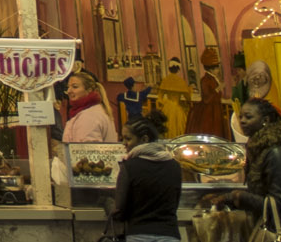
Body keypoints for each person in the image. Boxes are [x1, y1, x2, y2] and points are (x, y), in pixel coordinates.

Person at [201, 99, 281, 242]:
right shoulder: (260, 149)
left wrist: (239, 197)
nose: (242, 121)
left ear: (265, 120)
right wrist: (229, 199)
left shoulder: (275, 152)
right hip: (270, 225)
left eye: (248, 117)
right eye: (240, 117)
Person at [111, 112, 181, 242]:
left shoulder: (129, 167)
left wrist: (107, 205)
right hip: (170, 235)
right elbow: (175, 202)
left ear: (144, 139)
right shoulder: (175, 165)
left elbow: (120, 208)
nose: (124, 143)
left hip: (138, 234)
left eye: (128, 139)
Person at [63, 70, 118, 143]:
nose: (69, 91)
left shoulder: (90, 116)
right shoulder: (91, 111)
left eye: (75, 87)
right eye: (68, 87)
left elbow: (88, 150)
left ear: (89, 90)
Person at [187, 47, 228, 138]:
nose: (218, 70)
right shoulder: (205, 80)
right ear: (211, 69)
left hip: (215, 109)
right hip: (209, 111)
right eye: (216, 68)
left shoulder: (213, 79)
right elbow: (206, 99)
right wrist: (218, 89)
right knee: (211, 131)